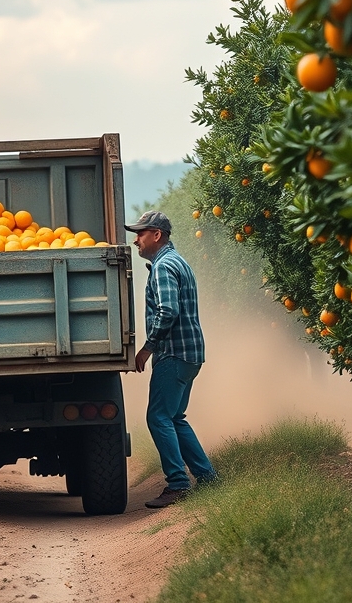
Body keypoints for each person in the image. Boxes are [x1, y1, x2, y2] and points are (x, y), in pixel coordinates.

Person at [125, 209, 217, 508]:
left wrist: (147, 347)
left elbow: (168, 311)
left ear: (157, 235)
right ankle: (208, 478)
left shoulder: (163, 266)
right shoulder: (177, 261)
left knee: (158, 418)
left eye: (140, 234)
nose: (136, 240)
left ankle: (178, 484)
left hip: (174, 353)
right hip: (190, 354)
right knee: (175, 417)